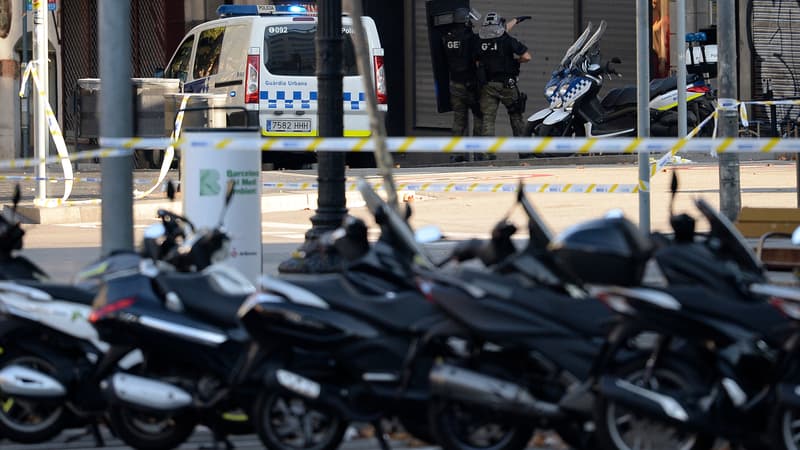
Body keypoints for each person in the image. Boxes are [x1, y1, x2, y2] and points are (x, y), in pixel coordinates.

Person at [476, 12, 532, 137]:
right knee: (516, 117)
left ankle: (487, 154)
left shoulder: (478, 41)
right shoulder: (507, 40)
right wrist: (516, 62)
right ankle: (524, 153)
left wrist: (516, 20)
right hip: (507, 85)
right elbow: (527, 57)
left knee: (488, 120)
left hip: (488, 85)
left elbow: (477, 61)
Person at [441, 8, 482, 137]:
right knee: (479, 117)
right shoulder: (471, 38)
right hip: (470, 84)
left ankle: (456, 154)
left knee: (459, 120)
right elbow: (478, 59)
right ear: (465, 21)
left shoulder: (447, 38)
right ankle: (479, 154)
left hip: (454, 84)